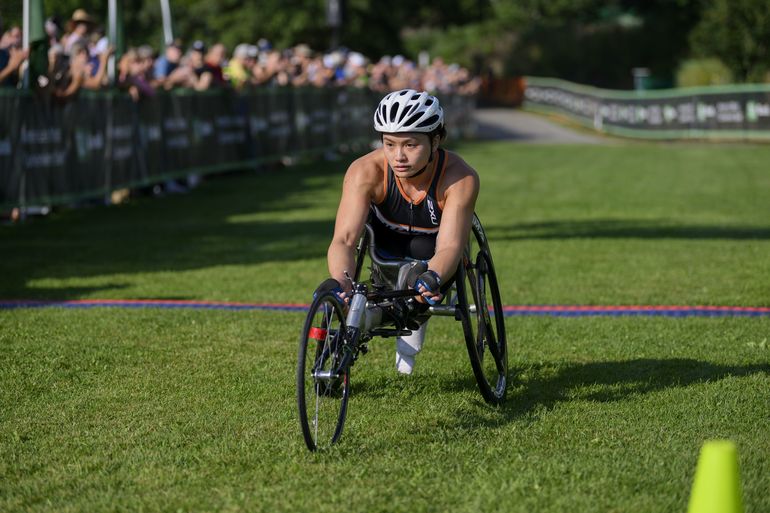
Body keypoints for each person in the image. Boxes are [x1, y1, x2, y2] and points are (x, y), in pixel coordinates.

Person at [326, 89, 480, 375]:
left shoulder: (459, 177)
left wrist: (432, 276)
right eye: (389, 144)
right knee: (372, 289)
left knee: (416, 279)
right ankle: (368, 317)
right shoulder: (365, 171)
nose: (398, 156)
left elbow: (450, 247)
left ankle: (412, 322)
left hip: (432, 252)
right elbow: (345, 240)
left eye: (411, 145)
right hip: (383, 245)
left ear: (436, 140)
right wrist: (341, 282)